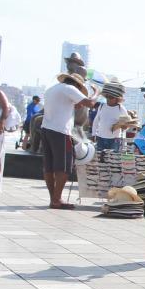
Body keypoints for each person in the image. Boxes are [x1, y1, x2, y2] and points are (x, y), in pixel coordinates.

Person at [41, 73, 94, 209]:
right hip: (60, 131)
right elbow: (90, 103)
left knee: (49, 166)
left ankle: (54, 198)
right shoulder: (69, 89)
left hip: (46, 128)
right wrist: (96, 93)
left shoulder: (53, 89)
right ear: (77, 85)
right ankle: (57, 199)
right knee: (64, 166)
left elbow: (70, 105)